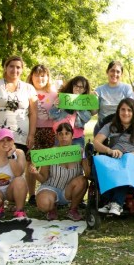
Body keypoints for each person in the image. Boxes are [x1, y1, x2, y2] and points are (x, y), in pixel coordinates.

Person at [92, 98, 134, 216]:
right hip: (114, 157)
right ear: (118, 111)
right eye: (123, 110)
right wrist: (109, 150)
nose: (126, 113)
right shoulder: (110, 126)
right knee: (96, 165)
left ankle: (117, 203)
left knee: (125, 165)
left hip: (132, 159)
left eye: (129, 110)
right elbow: (96, 143)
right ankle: (109, 201)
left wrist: (128, 155)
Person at [29, 123, 88, 221]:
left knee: (82, 180)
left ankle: (73, 210)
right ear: (57, 136)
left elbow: (87, 175)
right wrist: (35, 173)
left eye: (67, 133)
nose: (64, 137)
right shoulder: (50, 153)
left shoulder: (80, 152)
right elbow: (43, 178)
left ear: (72, 136)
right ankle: (52, 208)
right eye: (60, 134)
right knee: (43, 204)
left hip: (69, 191)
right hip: (51, 188)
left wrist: (85, 159)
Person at [0, 56, 37, 153]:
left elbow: (33, 113)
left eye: (18, 67)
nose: (15, 70)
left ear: (22, 70)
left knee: (17, 166)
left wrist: (31, 135)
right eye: (11, 66)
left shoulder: (29, 88)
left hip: (20, 136)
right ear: (5, 68)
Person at [26, 64, 58, 206]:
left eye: (43, 75)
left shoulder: (54, 93)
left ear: (48, 77)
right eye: (37, 75)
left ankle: (47, 190)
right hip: (32, 131)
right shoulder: (26, 91)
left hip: (50, 132)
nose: (40, 78)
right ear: (31, 76)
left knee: (48, 164)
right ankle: (31, 195)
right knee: (31, 163)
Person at [49, 75, 93, 147]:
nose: (77, 89)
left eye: (81, 87)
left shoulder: (86, 102)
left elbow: (86, 118)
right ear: (72, 86)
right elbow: (52, 116)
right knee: (60, 157)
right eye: (76, 86)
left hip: (77, 137)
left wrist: (78, 108)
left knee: (77, 158)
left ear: (85, 89)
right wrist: (55, 107)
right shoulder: (62, 98)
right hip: (60, 137)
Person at [93, 60, 134, 135]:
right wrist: (93, 100)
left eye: (118, 72)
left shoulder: (127, 88)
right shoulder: (99, 90)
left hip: (122, 129)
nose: (115, 74)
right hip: (102, 128)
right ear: (107, 72)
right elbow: (94, 112)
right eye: (112, 70)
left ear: (121, 74)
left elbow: (132, 109)